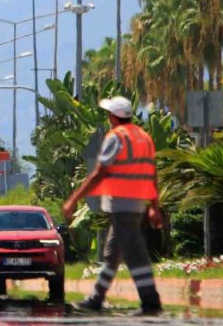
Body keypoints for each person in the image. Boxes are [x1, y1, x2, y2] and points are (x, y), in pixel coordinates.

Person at [62, 95, 164, 316]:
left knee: (136, 255)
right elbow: (151, 173)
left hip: (122, 206)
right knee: (112, 255)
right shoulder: (144, 137)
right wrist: (154, 206)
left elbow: (100, 172)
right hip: (137, 205)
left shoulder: (116, 137)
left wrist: (73, 199)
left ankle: (151, 302)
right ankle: (96, 299)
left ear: (113, 117)